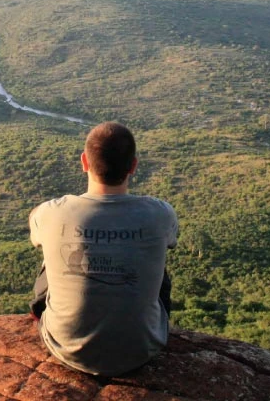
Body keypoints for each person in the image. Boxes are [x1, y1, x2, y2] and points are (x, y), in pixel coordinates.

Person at [28, 121, 178, 376]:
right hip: (142, 349)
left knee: (51, 260)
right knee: (157, 265)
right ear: (133, 166)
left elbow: (36, 238)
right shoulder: (160, 213)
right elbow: (172, 241)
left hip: (66, 348)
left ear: (84, 162)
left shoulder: (51, 212)